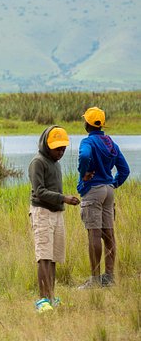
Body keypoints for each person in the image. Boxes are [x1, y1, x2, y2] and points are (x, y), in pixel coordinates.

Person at [28, 126, 80, 312]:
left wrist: (62, 201)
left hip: (57, 213)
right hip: (42, 213)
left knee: (53, 257)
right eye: (57, 149)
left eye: (63, 149)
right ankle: (42, 300)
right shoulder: (38, 162)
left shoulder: (55, 163)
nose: (61, 153)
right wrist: (63, 198)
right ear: (46, 144)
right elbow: (39, 191)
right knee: (44, 256)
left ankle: (50, 296)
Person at [77, 107, 130, 289]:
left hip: (93, 190)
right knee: (109, 233)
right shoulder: (111, 143)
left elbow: (84, 156)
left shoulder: (88, 142)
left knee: (94, 233)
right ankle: (109, 277)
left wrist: (83, 173)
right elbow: (125, 170)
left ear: (87, 124)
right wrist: (113, 183)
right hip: (108, 191)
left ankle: (94, 280)